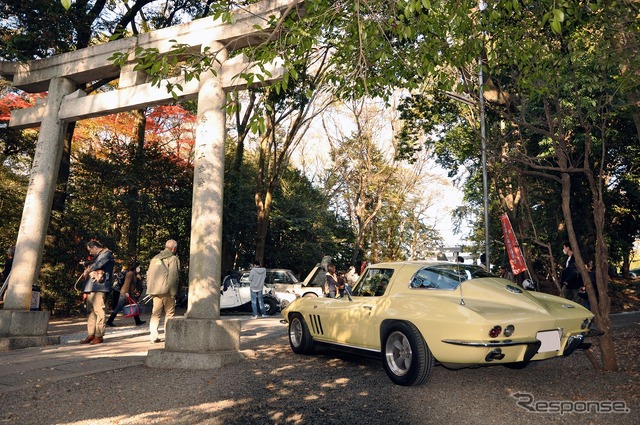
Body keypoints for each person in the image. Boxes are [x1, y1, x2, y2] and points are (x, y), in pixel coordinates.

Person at [80, 240, 115, 345]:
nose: (90, 253)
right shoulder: (98, 256)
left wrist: (88, 269)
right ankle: (91, 333)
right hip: (90, 285)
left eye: (90, 250)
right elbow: (94, 264)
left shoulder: (107, 254)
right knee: (91, 311)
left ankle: (99, 335)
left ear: (94, 247)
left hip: (100, 285)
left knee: (99, 310)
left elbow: (99, 264)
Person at [147, 239, 180, 343]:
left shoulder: (155, 258)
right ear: (173, 248)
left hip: (155, 290)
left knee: (155, 314)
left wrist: (150, 289)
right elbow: (174, 276)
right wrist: (174, 292)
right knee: (169, 313)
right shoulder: (173, 259)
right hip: (167, 290)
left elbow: (149, 274)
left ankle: (153, 335)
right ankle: (169, 335)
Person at [106, 261, 146, 327]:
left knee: (134, 305)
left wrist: (139, 279)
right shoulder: (130, 273)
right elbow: (127, 283)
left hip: (129, 293)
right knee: (118, 307)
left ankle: (138, 321)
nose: (139, 268)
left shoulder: (134, 274)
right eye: (138, 267)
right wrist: (126, 292)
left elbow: (137, 285)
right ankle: (109, 321)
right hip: (125, 293)